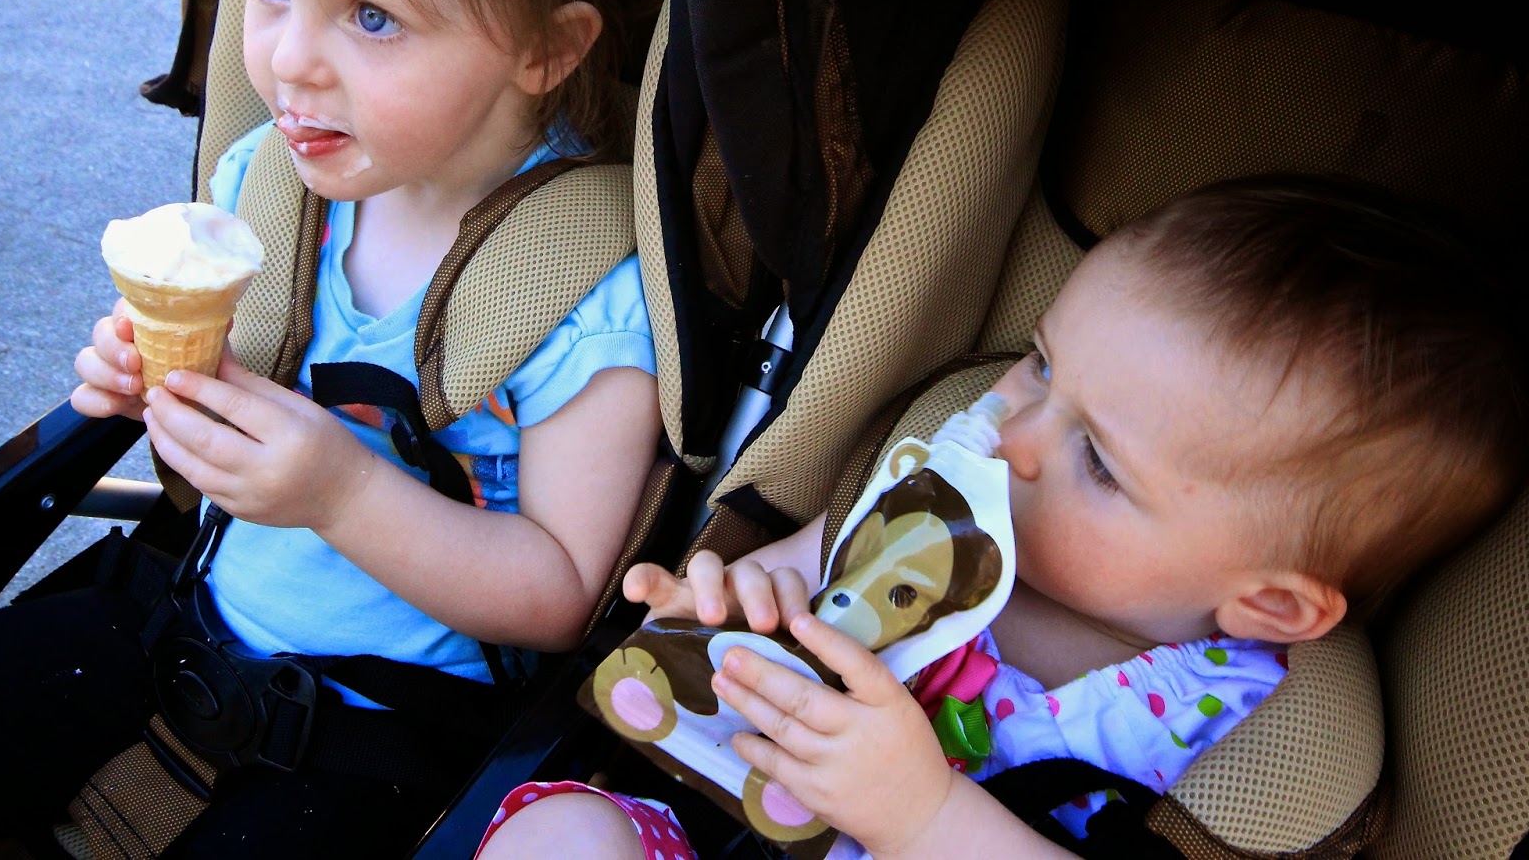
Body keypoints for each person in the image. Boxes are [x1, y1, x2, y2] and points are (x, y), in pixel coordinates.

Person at [0, 0, 663, 860]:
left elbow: (561, 585)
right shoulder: (270, 183)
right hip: (173, 614)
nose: (288, 59)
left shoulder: (586, 292)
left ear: (545, 47)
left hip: (374, 726)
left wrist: (344, 493)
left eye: (369, 15)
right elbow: (214, 423)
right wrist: (153, 384)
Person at [474, 174, 1527, 860]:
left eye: (1097, 461)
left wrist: (926, 816)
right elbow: (792, 581)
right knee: (561, 836)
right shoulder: (926, 504)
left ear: (1266, 602)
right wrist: (738, 602)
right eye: (1042, 365)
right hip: (727, 827)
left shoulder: (1216, 726)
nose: (1011, 431)